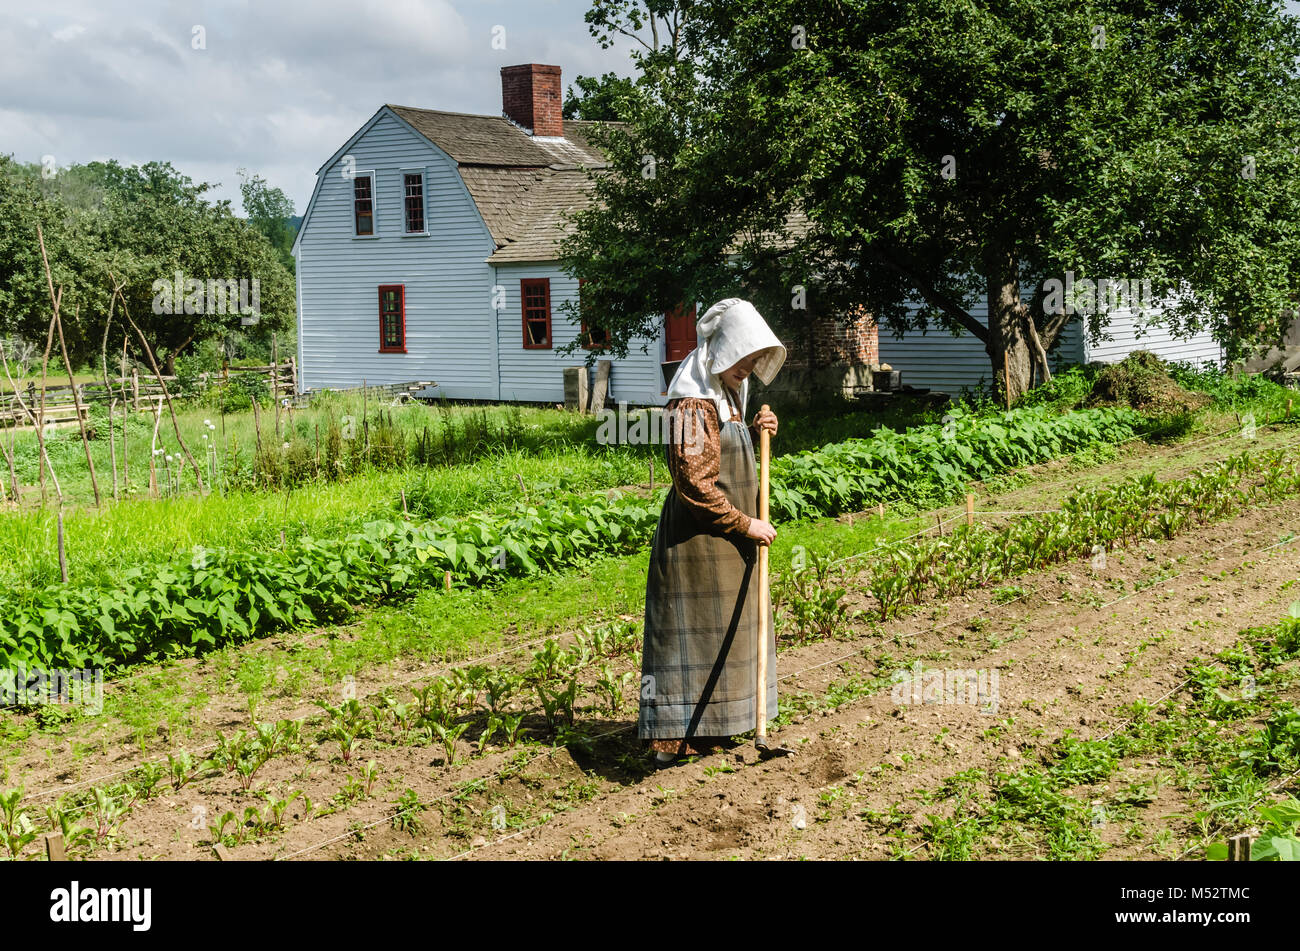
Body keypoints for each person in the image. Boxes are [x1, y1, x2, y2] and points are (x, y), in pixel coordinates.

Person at [638, 297, 786, 767]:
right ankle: (672, 741)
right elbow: (696, 487)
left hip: (731, 539)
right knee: (690, 639)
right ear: (722, 350)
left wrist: (759, 428)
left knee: (729, 632)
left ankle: (716, 728)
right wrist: (747, 523)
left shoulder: (727, 391)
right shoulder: (690, 402)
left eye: (754, 360)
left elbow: (726, 453)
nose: (749, 367)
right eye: (743, 358)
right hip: (697, 542)